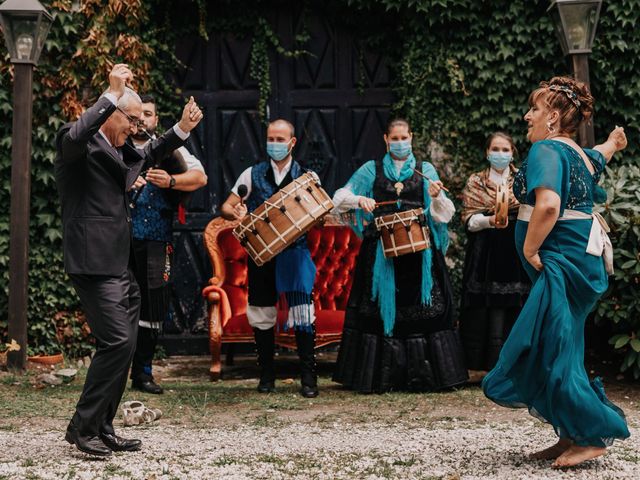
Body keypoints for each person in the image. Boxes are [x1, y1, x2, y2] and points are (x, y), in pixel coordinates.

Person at [481, 76, 630, 468]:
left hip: (562, 261)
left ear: (552, 117)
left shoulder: (546, 149)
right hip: (581, 258)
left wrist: (530, 247)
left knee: (554, 345)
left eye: (534, 109)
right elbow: (600, 155)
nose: (527, 115)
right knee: (563, 340)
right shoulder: (577, 153)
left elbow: (548, 204)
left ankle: (591, 433)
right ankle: (570, 433)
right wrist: (613, 143)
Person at [55, 64, 203, 456]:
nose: (137, 127)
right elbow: (77, 133)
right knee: (117, 341)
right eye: (132, 119)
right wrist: (110, 93)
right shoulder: (77, 144)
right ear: (111, 113)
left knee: (128, 341)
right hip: (92, 262)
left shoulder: (117, 152)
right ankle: (81, 428)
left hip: (118, 263)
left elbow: (149, 151)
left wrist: (182, 130)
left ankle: (103, 425)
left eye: (140, 120)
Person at [332, 118, 468, 393]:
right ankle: (382, 377)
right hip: (380, 252)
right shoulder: (372, 169)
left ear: (411, 137)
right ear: (386, 139)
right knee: (376, 314)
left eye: (403, 137)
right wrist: (360, 200)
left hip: (419, 254)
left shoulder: (425, 170)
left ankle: (424, 376)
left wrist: (436, 196)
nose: (399, 142)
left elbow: (445, 213)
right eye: (394, 138)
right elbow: (338, 198)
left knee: (425, 310)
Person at [220, 119, 319, 398]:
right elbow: (227, 206)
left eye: (279, 139)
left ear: (292, 142)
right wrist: (236, 213)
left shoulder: (307, 176)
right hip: (262, 255)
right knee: (262, 314)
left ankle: (308, 378)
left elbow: (320, 218)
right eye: (270, 139)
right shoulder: (251, 174)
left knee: (302, 314)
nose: (274, 144)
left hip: (295, 255)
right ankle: (266, 375)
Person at [129, 94, 208, 394]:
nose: (141, 119)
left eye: (147, 114)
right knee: (118, 305)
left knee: (152, 307)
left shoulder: (171, 150)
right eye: (137, 114)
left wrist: (171, 182)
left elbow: (200, 177)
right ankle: (114, 371)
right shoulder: (115, 147)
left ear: (155, 119)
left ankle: (143, 373)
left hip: (156, 239)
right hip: (117, 240)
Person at [459, 132, 530, 377]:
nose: (500, 154)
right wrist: (489, 220)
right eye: (495, 149)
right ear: (487, 152)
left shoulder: (524, 179)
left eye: (505, 149)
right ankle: (485, 364)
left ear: (513, 152)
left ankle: (517, 364)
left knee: (515, 304)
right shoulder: (475, 182)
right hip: (485, 253)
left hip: (516, 249)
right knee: (486, 307)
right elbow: (468, 220)